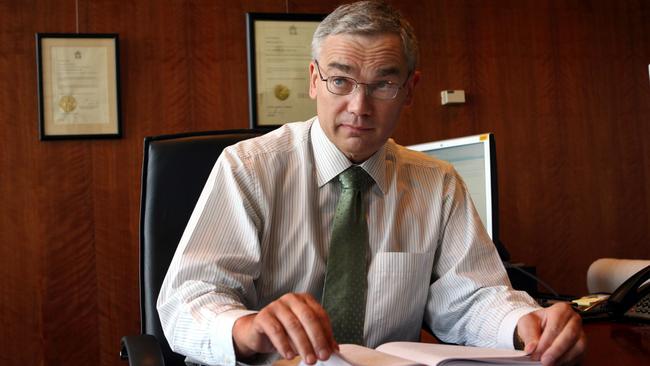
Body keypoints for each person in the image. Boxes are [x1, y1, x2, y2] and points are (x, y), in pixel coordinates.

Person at [157, 1, 586, 365]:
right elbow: (187, 300)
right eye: (340, 80)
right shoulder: (250, 167)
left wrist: (523, 324)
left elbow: (472, 298)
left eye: (383, 83)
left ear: (410, 89)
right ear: (313, 80)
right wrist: (247, 328)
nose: (359, 107)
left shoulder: (437, 185)